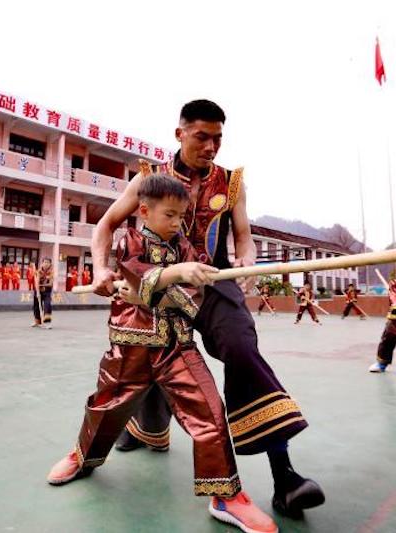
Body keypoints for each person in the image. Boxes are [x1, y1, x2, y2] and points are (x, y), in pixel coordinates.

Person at [89, 100, 323, 516]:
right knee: (144, 359)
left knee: (243, 351)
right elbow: (104, 225)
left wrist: (247, 258)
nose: (211, 146)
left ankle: (284, 476)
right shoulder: (149, 179)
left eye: (218, 138)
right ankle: (144, 428)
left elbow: (244, 235)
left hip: (213, 284)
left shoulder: (231, 183)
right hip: (160, 285)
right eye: (202, 136)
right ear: (179, 133)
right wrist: (101, 269)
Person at [47, 174, 278, 533]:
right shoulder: (131, 241)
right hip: (131, 346)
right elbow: (137, 278)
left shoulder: (185, 249)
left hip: (176, 346)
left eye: (181, 216)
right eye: (169, 215)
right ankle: (82, 458)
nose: (177, 223)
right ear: (144, 211)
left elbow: (192, 299)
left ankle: (226, 495)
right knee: (105, 407)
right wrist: (173, 275)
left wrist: (187, 278)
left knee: (210, 411)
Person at [36, 257, 54, 328]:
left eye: (48, 262)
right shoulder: (38, 271)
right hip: (38, 290)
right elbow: (36, 282)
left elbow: (50, 284)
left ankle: (47, 323)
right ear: (42, 263)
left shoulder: (51, 272)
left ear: (50, 264)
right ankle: (37, 322)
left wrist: (40, 285)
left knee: (47, 305)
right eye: (45, 262)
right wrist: (37, 291)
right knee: (36, 306)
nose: (46, 264)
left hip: (47, 291)